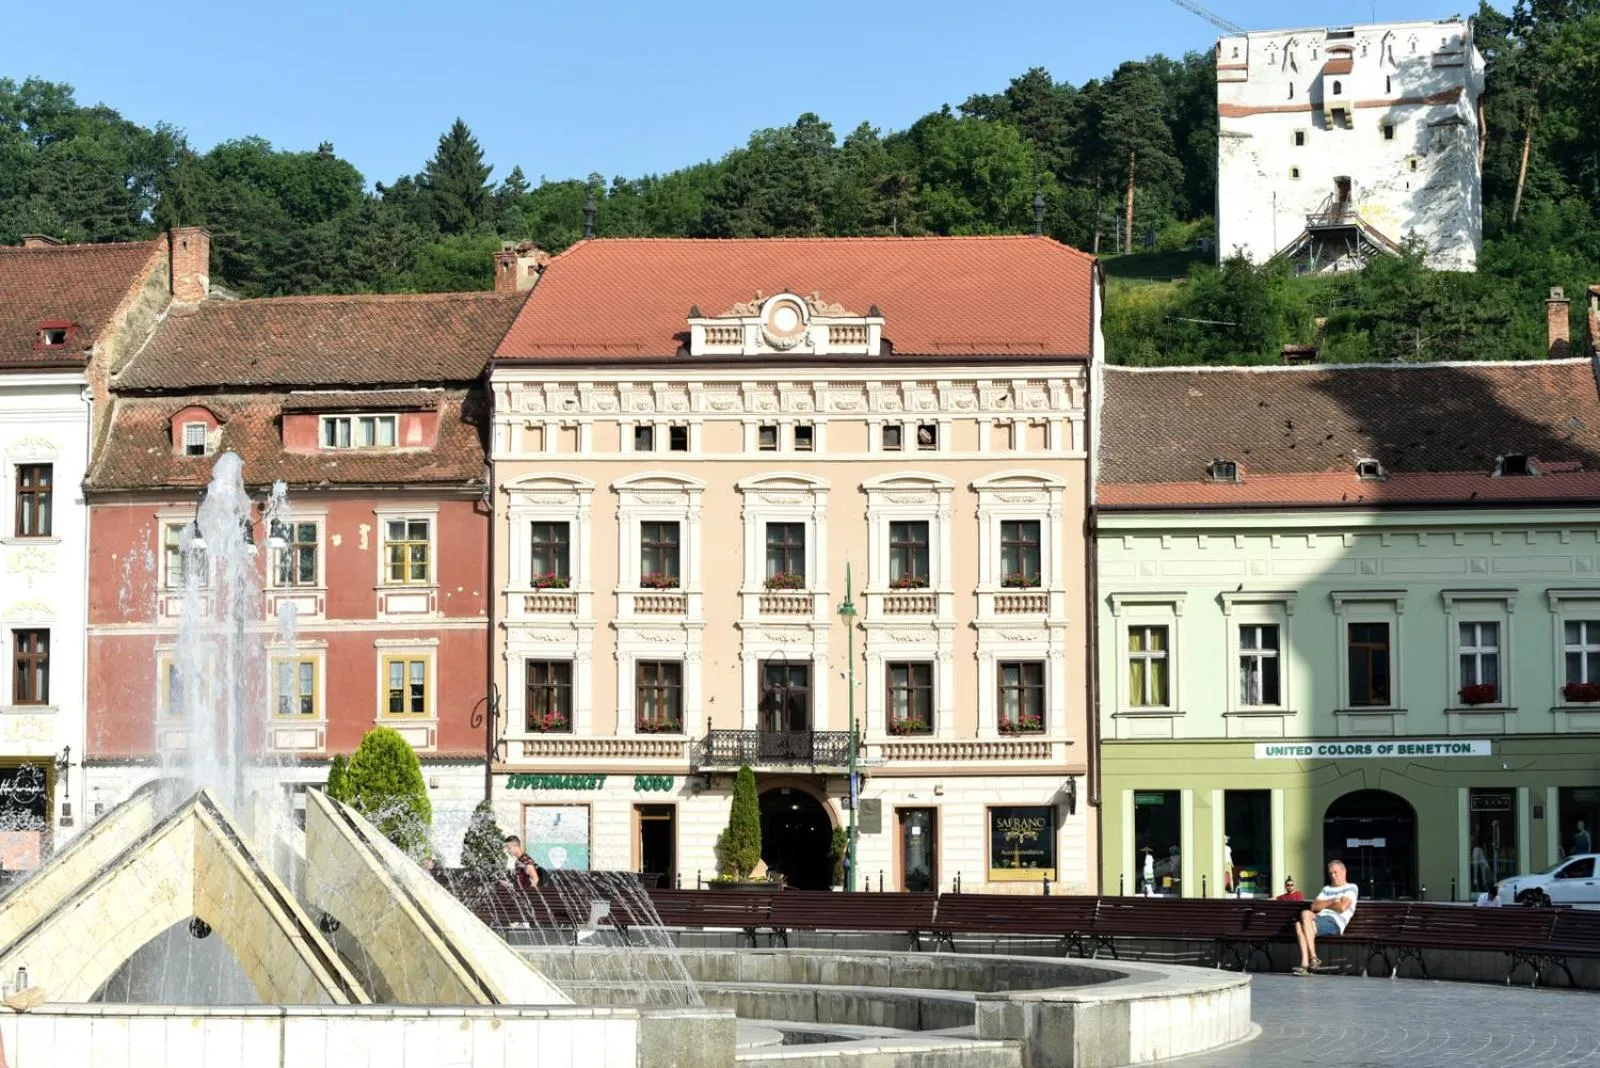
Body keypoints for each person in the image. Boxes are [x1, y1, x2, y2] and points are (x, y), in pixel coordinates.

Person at [1293, 859, 1358, 975]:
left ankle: (1311, 959)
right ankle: (1306, 963)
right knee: (1299, 923)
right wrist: (1333, 901)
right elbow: (1313, 907)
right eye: (1330, 874)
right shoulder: (1326, 889)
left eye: (1335, 872)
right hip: (1318, 920)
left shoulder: (1351, 887)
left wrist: (1323, 905)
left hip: (1335, 923)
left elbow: (1342, 908)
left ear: (1344, 872)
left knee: (1304, 915)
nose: (1333, 876)